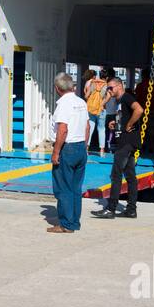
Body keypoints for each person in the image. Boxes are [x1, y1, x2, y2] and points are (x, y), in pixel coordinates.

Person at [47, 72, 90, 234]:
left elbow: (63, 130)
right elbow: (87, 127)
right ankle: (74, 222)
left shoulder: (64, 105)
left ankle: (66, 224)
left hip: (68, 148)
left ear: (57, 88)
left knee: (63, 187)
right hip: (80, 146)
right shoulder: (81, 102)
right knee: (75, 188)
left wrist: (56, 152)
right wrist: (85, 147)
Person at [94, 76, 142, 219]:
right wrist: (116, 124)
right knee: (130, 176)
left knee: (116, 174)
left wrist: (129, 125)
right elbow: (124, 116)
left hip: (127, 142)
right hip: (128, 141)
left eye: (110, 88)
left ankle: (111, 208)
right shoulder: (119, 101)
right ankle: (131, 209)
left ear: (119, 86)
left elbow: (139, 110)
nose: (109, 90)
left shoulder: (126, 97)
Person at [83, 70, 109, 157]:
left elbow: (86, 96)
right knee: (101, 129)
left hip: (91, 109)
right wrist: (102, 104)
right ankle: (102, 150)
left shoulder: (93, 83)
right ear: (107, 77)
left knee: (90, 128)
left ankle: (86, 149)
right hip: (101, 110)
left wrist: (91, 101)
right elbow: (108, 96)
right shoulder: (106, 85)